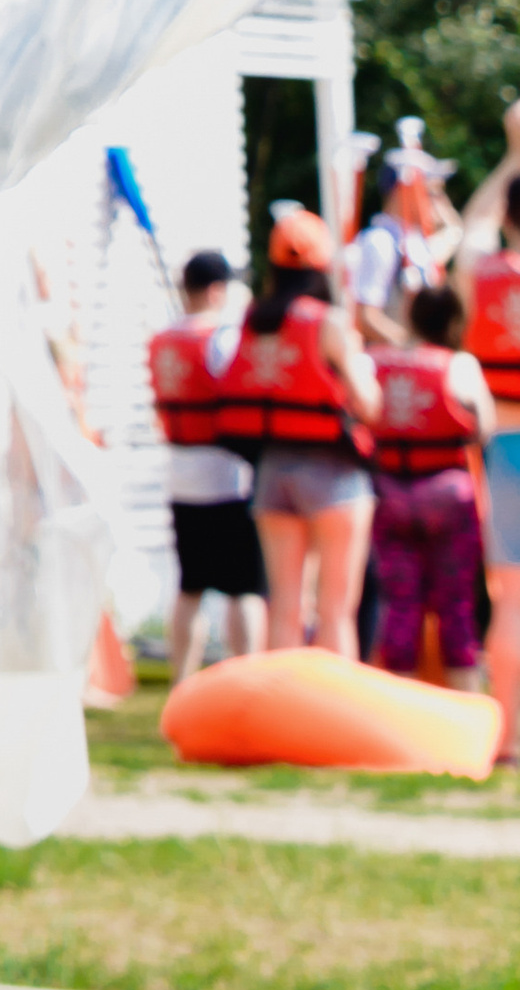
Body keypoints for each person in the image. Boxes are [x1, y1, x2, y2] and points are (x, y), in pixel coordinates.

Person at [214, 212, 382, 653]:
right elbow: (369, 405)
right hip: (333, 476)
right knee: (336, 609)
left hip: (273, 472)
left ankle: (282, 717)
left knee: (285, 608)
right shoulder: (329, 323)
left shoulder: (252, 319)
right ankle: (335, 714)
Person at [365, 283, 494, 686]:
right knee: (457, 607)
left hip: (389, 494)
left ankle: (401, 718)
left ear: (411, 317)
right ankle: (467, 714)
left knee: (400, 606)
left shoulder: (375, 361)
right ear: (454, 322)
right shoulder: (460, 365)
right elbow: (484, 429)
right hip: (448, 495)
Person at [146, 250, 265, 676]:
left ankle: (183, 681)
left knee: (190, 586)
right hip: (226, 476)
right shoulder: (223, 338)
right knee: (245, 589)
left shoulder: (161, 338)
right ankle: (247, 677)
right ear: (217, 290)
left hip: (180, 476)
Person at [453, 107, 520, 763]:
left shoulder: (482, 272)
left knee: (512, 599)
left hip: (503, 447)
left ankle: (511, 734)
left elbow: (471, 228)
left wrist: (511, 154)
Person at [350, 120, 453, 344]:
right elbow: (365, 317)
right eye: (431, 192)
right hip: (391, 370)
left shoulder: (416, 241)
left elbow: (454, 233)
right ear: (401, 192)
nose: (439, 202)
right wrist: (414, 350)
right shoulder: (379, 242)